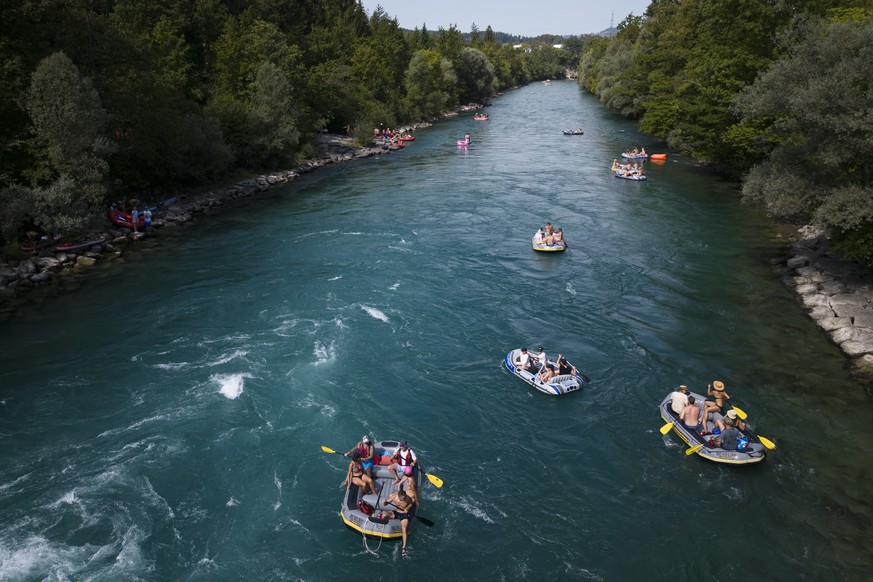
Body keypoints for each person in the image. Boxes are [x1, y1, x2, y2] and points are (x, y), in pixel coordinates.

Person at [381, 489, 416, 556]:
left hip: (403, 514)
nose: (402, 500)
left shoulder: (408, 498)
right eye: (401, 499)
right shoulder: (394, 497)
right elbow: (386, 504)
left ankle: (404, 548)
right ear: (398, 496)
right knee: (384, 515)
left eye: (404, 498)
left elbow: (411, 503)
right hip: (396, 512)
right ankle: (382, 531)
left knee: (404, 528)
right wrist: (385, 502)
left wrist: (407, 508)